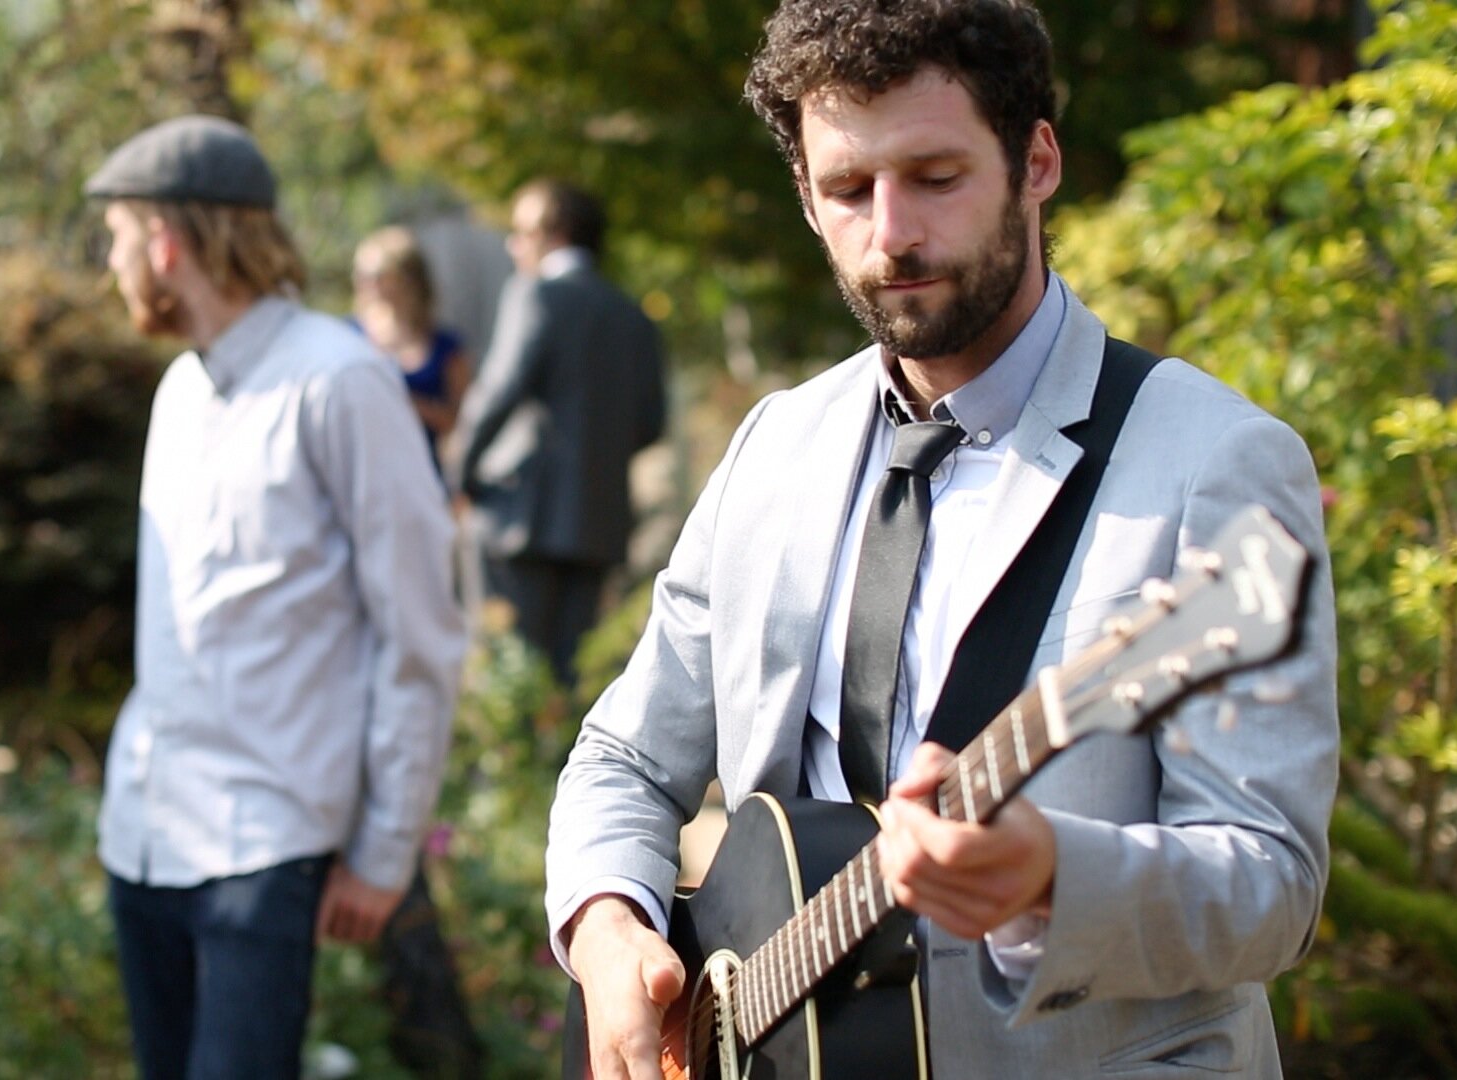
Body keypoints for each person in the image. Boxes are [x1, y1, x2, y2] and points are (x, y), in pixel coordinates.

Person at [544, 1, 1339, 1077]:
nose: (892, 234)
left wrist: (1053, 875)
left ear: (1038, 161)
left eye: (936, 176)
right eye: (848, 191)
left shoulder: (1218, 462)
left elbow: (1272, 889)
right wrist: (605, 928)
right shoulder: (775, 446)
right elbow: (628, 757)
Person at [82, 115, 466, 1080]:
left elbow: (419, 630)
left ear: (168, 243)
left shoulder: (340, 383)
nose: (113, 263)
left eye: (120, 238)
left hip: (266, 844)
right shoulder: (179, 391)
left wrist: (384, 851)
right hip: (144, 835)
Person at [451, 180, 666, 685]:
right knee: (569, 684)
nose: (512, 245)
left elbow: (498, 393)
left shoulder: (536, 294)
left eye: (522, 231)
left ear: (555, 232)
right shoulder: (634, 317)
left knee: (509, 681)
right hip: (597, 522)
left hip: (519, 517)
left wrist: (458, 473)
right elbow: (649, 424)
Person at [351, 225, 473, 471]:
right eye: (362, 275)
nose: (369, 285)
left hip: (423, 470)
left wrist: (405, 403)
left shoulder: (445, 345)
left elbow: (462, 420)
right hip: (363, 469)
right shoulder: (347, 337)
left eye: (379, 276)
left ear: (407, 279)